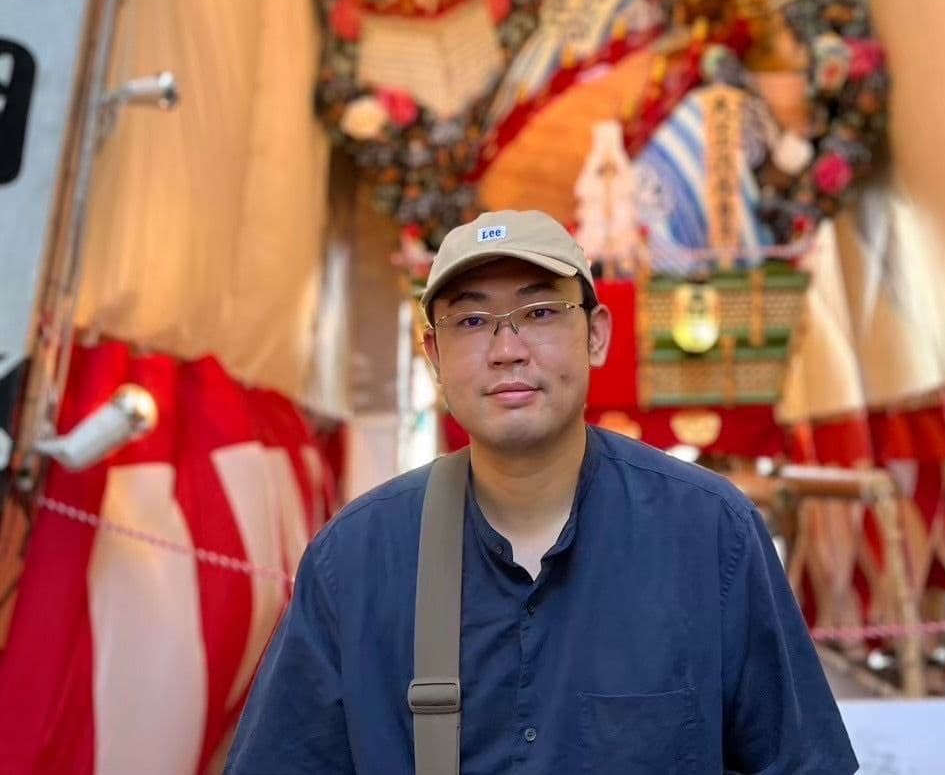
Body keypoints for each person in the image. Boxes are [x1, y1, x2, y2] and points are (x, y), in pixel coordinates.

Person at [226, 209, 858, 774]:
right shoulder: (356, 560)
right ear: (434, 355)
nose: (507, 350)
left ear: (596, 334)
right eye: (472, 320)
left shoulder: (710, 533)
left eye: (540, 313)